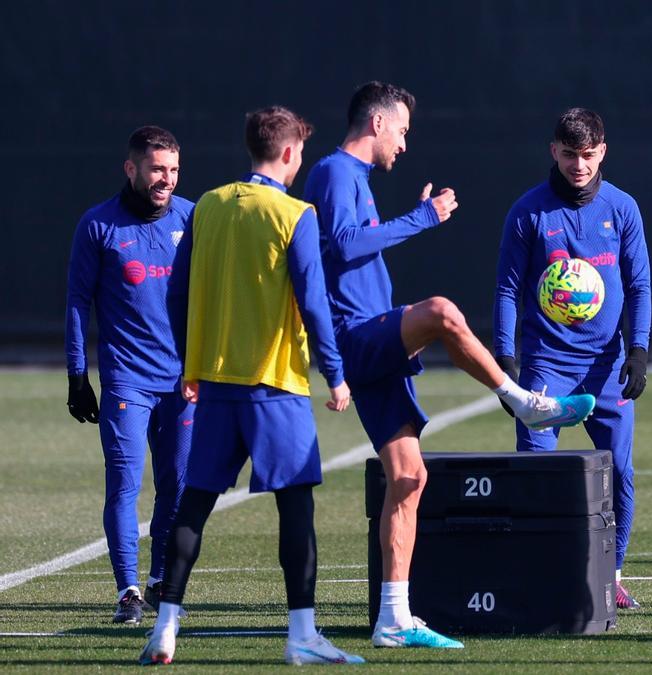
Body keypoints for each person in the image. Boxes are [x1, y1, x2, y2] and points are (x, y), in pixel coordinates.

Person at [303, 81, 596, 649]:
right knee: (440, 311)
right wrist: (422, 219)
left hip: (374, 344)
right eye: (404, 132)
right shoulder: (336, 172)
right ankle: (524, 401)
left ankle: (393, 618)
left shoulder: (355, 179)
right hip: (357, 337)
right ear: (378, 123)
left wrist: (412, 218)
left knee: (410, 480)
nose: (405, 146)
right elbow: (341, 247)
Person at [140, 106, 362, 665]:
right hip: (274, 386)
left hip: (214, 385)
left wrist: (191, 365)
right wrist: (335, 374)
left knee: (193, 503)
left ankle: (165, 626)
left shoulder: (208, 206)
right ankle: (302, 636)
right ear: (289, 153)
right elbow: (314, 302)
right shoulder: (294, 212)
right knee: (296, 508)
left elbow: (177, 293)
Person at [494, 107, 652, 609]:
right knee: (537, 471)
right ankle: (540, 572)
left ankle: (612, 573)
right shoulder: (528, 212)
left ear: (602, 150)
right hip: (546, 365)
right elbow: (507, 288)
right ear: (553, 151)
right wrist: (504, 359)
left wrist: (641, 349)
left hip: (608, 366)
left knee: (620, 473)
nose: (578, 165)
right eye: (569, 154)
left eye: (587, 155)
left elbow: (639, 284)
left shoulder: (622, 208)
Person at [65, 126, 195, 625]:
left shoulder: (192, 218)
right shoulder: (98, 225)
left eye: (174, 170)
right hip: (127, 380)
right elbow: (78, 301)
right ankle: (128, 591)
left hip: (184, 381)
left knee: (178, 485)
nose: (166, 179)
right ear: (132, 169)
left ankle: (163, 579)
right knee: (124, 484)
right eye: (158, 169)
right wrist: (78, 375)